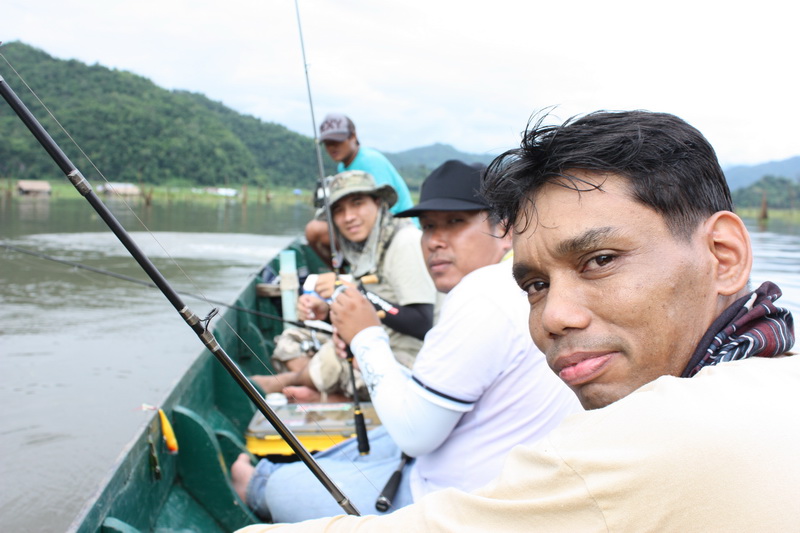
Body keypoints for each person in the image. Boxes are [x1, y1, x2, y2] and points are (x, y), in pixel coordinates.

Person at [236, 111, 797, 532]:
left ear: (723, 256)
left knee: (261, 482)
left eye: (600, 260)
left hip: (432, 483)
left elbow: (416, 435)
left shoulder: (651, 445)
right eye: (535, 285)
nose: (553, 316)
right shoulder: (770, 371)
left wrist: (364, 337)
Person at [232, 159, 580, 523]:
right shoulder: (526, 282)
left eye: (455, 223)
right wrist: (364, 349)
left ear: (505, 228)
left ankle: (259, 484)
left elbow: (415, 435)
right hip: (494, 472)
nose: (435, 241)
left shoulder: (482, 292)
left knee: (279, 488)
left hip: (453, 506)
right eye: (428, 226)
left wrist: (365, 336)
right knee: (352, 453)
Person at [251, 170, 436, 402]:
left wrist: (354, 293)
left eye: (357, 203)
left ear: (378, 203)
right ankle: (321, 388)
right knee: (292, 339)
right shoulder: (364, 245)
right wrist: (326, 312)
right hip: (371, 338)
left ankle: (303, 386)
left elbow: (422, 323)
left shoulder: (404, 242)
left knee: (340, 361)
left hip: (409, 356)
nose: (348, 217)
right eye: (338, 210)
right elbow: (370, 307)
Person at [306, 113, 415, 265]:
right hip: (369, 226)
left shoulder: (370, 161)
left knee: (315, 230)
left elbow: (386, 210)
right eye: (328, 143)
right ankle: (345, 274)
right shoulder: (342, 167)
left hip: (397, 227)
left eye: (337, 141)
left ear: (353, 136)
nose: (332, 147)